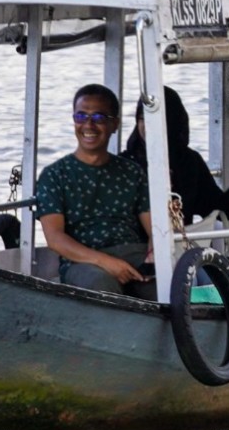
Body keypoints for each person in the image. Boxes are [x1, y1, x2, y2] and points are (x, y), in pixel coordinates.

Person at [35, 84, 153, 293]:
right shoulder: (54, 175)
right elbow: (55, 238)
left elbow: (155, 228)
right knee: (101, 287)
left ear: (114, 124)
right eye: (81, 117)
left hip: (133, 254)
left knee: (167, 285)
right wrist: (106, 262)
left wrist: (153, 256)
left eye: (99, 118)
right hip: (83, 261)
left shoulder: (132, 172)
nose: (88, 125)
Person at [125, 88, 229, 224]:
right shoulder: (125, 164)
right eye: (142, 118)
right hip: (132, 244)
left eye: (156, 118)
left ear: (172, 120)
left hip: (179, 243)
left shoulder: (189, 162)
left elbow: (215, 207)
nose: (148, 126)